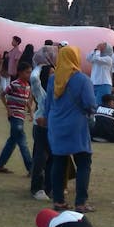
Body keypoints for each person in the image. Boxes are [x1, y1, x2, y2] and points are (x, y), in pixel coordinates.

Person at [45, 46, 96, 212]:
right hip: (76, 125)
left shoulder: (53, 79)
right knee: (83, 163)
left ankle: (58, 200)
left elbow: (47, 105)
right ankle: (80, 203)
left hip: (56, 124)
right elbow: (90, 104)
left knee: (59, 161)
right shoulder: (82, 79)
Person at [0, 59, 33, 176]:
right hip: (15, 116)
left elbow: (26, 101)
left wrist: (31, 112)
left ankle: (0, 165)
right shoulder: (14, 84)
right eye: (27, 72)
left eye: (30, 72)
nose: (29, 74)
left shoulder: (27, 86)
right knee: (22, 142)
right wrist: (8, 109)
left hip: (20, 116)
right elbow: (2, 95)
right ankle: (31, 168)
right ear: (20, 72)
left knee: (12, 142)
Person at [29, 47, 55, 201]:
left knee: (52, 157)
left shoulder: (54, 90)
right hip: (41, 125)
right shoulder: (40, 91)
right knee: (41, 157)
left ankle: (49, 187)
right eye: (51, 74)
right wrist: (41, 64)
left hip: (53, 125)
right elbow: (33, 77)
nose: (54, 76)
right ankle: (37, 188)